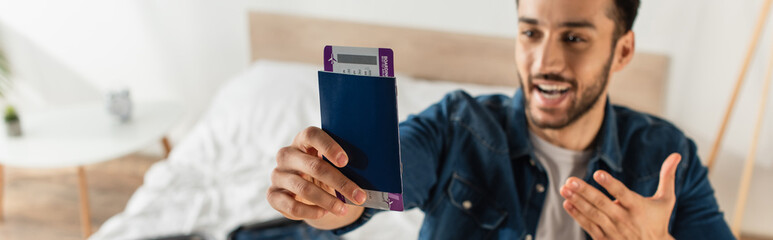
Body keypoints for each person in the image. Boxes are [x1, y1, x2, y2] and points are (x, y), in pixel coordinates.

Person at [266, 0, 735, 239]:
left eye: (574, 38)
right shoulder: (455, 125)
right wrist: (334, 203)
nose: (545, 60)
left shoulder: (668, 160)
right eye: (531, 32)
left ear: (623, 50)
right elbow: (380, 180)